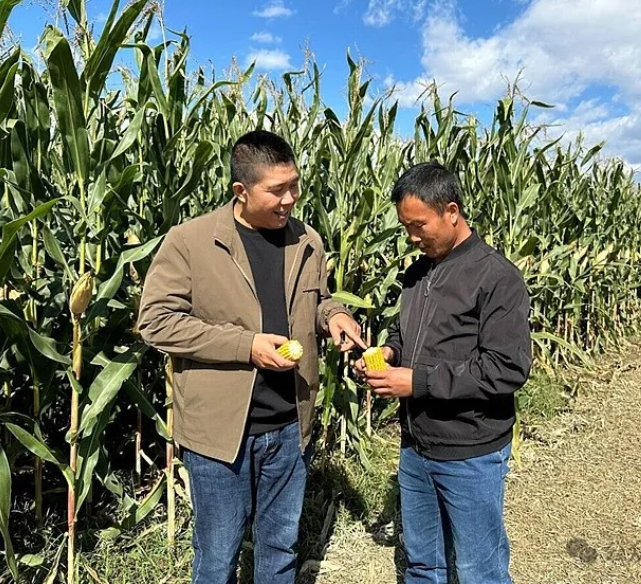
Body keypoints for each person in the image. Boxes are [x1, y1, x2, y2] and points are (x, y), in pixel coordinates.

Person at [138, 130, 365, 584]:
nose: (290, 200)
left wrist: (334, 316)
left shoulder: (307, 241)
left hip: (289, 425)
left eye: (294, 185)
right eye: (276, 190)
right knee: (218, 556)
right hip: (221, 434)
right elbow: (156, 321)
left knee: (281, 548)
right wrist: (247, 346)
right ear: (240, 191)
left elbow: (313, 302)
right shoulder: (191, 241)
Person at [357, 162, 531, 584]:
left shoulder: (497, 277)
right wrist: (388, 352)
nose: (412, 238)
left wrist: (415, 381)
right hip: (415, 446)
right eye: (405, 228)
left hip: (470, 451)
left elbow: (506, 368)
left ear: (451, 211)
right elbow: (405, 333)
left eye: (419, 226)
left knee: (478, 570)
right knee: (423, 565)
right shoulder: (418, 274)